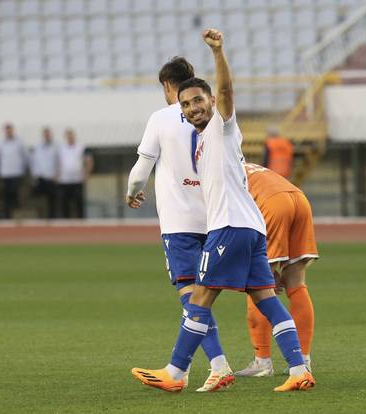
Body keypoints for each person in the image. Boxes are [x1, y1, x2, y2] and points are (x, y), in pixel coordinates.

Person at [131, 29, 315, 392]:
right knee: (267, 298)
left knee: (199, 297)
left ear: (212, 101)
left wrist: (218, 52)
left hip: (229, 227)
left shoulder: (222, 126)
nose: (193, 108)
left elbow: (229, 91)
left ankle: (176, 372)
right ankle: (299, 370)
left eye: (199, 100)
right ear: (181, 111)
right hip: (251, 228)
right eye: (186, 104)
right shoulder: (201, 140)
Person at [126, 56, 233, 392]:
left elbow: (142, 169)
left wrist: (132, 193)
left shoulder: (161, 118)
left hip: (179, 221)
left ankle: (214, 366)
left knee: (191, 297)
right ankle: (291, 361)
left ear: (168, 86)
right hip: (215, 216)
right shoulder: (212, 115)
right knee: (210, 294)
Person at [235, 162, 318, 377]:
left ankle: (262, 361)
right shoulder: (246, 165)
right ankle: (304, 360)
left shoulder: (215, 171)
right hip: (299, 198)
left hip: (272, 204)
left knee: (256, 283)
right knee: (296, 281)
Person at [57, 129, 93, 218]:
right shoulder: (62, 148)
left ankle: (81, 221)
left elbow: (89, 161)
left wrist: (87, 173)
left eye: (71, 136)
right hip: (64, 180)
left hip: (77, 179)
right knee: (65, 203)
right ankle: (66, 221)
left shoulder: (80, 148)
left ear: (74, 136)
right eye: (68, 136)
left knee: (79, 202)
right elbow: (59, 163)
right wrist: (57, 175)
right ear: (65, 137)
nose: (70, 138)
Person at [0, 123, 28, 219]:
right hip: (5, 173)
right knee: (6, 195)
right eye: (7, 130)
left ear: (13, 130)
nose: (8, 132)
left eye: (10, 129)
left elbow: (25, 156)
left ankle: (17, 214)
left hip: (16, 173)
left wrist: (23, 169)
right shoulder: (1, 143)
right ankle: (7, 215)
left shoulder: (19, 142)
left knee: (15, 193)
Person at [31, 127, 58, 218]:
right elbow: (35, 161)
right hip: (41, 178)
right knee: (39, 199)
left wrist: (57, 175)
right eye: (45, 134)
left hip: (52, 177)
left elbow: (59, 161)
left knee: (53, 200)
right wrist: (35, 175)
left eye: (48, 134)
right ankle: (40, 217)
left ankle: (52, 217)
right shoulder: (38, 147)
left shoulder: (57, 146)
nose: (47, 136)